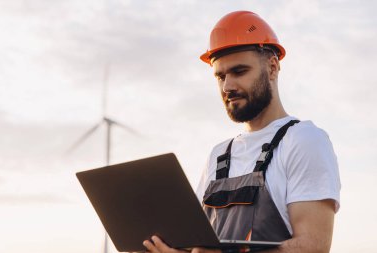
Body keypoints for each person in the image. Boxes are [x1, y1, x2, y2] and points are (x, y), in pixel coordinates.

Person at [143, 10, 341, 253]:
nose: (227, 86)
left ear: (272, 67)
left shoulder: (303, 140)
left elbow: (312, 247)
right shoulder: (218, 155)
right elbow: (199, 246)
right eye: (220, 76)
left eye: (239, 72)